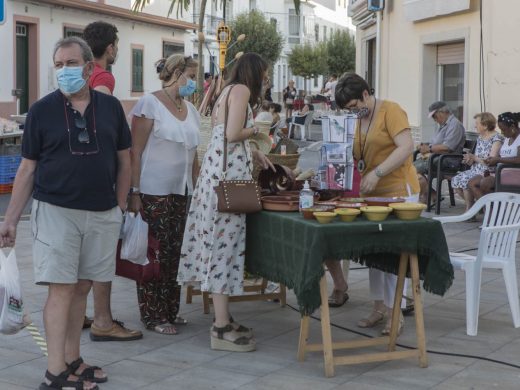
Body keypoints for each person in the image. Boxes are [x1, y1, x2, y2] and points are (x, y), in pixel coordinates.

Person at [0, 37, 131, 390]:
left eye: (70, 64)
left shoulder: (111, 108)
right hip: (56, 211)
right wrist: (10, 218)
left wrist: (120, 204)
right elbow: (27, 169)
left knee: (83, 287)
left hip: (102, 212)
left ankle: (73, 359)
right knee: (61, 289)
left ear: (89, 68)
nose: (64, 71)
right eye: (58, 65)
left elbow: (124, 159)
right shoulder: (42, 111)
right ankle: (54, 372)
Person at [177, 52, 275, 352]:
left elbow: (223, 134)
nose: (267, 79)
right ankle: (220, 328)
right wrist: (258, 130)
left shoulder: (226, 91)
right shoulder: (243, 91)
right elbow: (233, 133)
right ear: (255, 73)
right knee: (224, 249)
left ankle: (224, 317)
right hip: (228, 185)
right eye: (266, 74)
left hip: (215, 180)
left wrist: (254, 151)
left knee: (219, 247)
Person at [331, 72, 420, 336]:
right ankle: (379, 307)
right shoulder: (361, 118)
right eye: (348, 110)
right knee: (376, 254)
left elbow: (406, 147)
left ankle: (397, 312)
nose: (353, 112)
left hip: (398, 190)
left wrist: (377, 172)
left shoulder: (390, 110)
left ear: (366, 94)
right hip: (373, 193)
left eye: (354, 106)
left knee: (393, 254)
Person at [128, 54, 200, 335]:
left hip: (182, 192)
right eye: (191, 76)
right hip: (152, 192)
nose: (194, 82)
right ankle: (153, 315)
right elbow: (136, 151)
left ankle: (171, 310)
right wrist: (134, 192)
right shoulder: (150, 104)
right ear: (177, 73)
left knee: (175, 254)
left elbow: (192, 155)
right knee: (154, 255)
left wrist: (199, 188)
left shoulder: (191, 109)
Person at [82, 20, 143, 341]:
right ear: (109, 48)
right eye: (117, 45)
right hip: (100, 177)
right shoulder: (103, 77)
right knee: (102, 252)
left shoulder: (82, 74)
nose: (117, 50)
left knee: (81, 251)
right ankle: (103, 321)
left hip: (76, 178)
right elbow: (99, 125)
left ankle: (81, 313)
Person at [416, 101, 466, 204]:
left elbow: (448, 147)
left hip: (449, 160)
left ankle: (431, 195)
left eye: (435, 116)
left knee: (411, 169)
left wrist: (429, 149)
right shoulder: (445, 125)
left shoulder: (454, 125)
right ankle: (432, 195)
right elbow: (436, 143)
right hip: (438, 157)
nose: (434, 119)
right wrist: (424, 145)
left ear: (442, 112)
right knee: (409, 168)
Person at [451, 113, 503, 212]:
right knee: (456, 180)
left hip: (488, 171)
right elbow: (477, 157)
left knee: (465, 181)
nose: (475, 126)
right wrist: (470, 159)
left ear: (485, 125)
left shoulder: (497, 139)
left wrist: (474, 157)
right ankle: (473, 207)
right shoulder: (480, 137)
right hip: (476, 169)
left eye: (477, 123)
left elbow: (491, 160)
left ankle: (470, 210)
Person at [469, 112, 520, 199]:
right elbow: (501, 156)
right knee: (472, 182)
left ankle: (495, 208)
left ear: (512, 127)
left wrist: (498, 160)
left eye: (503, 130)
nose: (502, 133)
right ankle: (490, 209)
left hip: (515, 173)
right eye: (500, 130)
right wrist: (491, 161)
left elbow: (518, 160)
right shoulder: (508, 138)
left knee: (485, 183)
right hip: (501, 171)